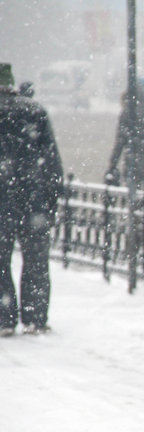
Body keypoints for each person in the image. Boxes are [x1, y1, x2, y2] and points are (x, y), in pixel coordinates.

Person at [0, 63, 64, 336]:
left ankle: (4, 317)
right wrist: (52, 198)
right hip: (34, 200)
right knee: (36, 261)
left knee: (1, 262)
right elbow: (51, 161)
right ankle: (35, 317)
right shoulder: (34, 111)